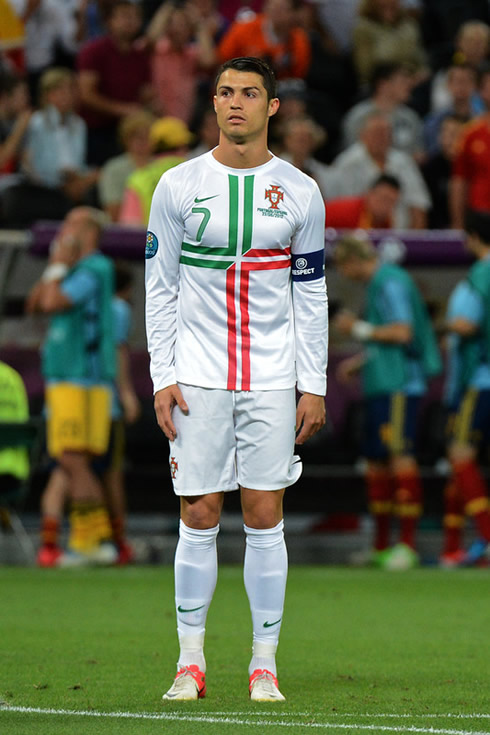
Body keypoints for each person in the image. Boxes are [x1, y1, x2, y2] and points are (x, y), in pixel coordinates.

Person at [145, 56, 328, 701]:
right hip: (197, 375)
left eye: (250, 93)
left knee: (262, 509)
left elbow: (312, 296)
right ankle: (189, 663)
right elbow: (160, 288)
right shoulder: (176, 185)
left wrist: (316, 383)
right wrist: (162, 374)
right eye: (225, 92)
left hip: (274, 375)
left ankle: (263, 664)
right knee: (197, 510)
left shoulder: (302, 192)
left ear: (272, 107)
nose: (236, 103)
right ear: (213, 103)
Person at [333, 235, 441, 570]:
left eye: (342, 266)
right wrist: (363, 360)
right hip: (383, 382)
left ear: (353, 260)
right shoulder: (380, 282)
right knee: (377, 462)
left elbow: (402, 333)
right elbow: (387, 338)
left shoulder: (390, 281)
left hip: (399, 385)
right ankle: (381, 546)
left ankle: (406, 547)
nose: (344, 274)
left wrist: (358, 329)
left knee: (399, 459)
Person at [26, 206, 117, 566]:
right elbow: (35, 305)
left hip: (79, 377)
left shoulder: (94, 267)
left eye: (70, 225)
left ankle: (94, 542)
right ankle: (91, 541)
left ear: (88, 232)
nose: (63, 231)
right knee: (74, 462)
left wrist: (59, 264)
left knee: (71, 459)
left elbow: (51, 300)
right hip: (73, 377)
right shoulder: (75, 270)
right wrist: (56, 267)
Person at [36, 261, 140, 567]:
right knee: (106, 474)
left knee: (65, 468)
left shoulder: (71, 306)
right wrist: (126, 394)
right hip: (97, 402)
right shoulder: (116, 309)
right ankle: (109, 542)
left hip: (62, 398)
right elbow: (118, 351)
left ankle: (50, 544)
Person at [439, 209, 490, 566]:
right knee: (462, 462)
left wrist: (444, 328)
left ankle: (486, 537)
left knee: (459, 455)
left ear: (472, 237)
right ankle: (456, 547)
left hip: (480, 379)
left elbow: (468, 324)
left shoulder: (481, 273)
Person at [77, 0, 155, 166]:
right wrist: (122, 110)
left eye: (135, 16)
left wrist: (152, 106)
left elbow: (146, 93)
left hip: (131, 130)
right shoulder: (93, 51)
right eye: (125, 16)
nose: (131, 21)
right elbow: (86, 95)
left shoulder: (140, 56)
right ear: (109, 21)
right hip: (97, 132)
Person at [331, 111, 431, 228]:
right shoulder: (346, 163)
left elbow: (418, 204)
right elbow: (339, 205)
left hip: (401, 235)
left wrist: (416, 241)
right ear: (362, 135)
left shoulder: (404, 162)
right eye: (376, 133)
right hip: (356, 234)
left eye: (386, 133)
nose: (382, 138)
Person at [342, 62, 424, 160]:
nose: (409, 84)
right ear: (383, 85)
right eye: (403, 81)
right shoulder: (358, 116)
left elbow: (419, 152)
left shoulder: (410, 117)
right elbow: (350, 153)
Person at [217, 0, 311, 81]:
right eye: (273, 6)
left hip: (281, 87)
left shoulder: (298, 39)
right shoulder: (244, 28)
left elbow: (299, 74)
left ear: (293, 14)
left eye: (281, 9)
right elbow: (222, 58)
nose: (276, 13)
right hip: (242, 80)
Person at [450, 63, 490, 229]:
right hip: (480, 216)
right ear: (481, 92)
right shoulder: (470, 133)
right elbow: (459, 181)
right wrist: (458, 223)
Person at [98, 110, 155, 222]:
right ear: (126, 140)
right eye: (137, 137)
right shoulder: (114, 169)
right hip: (125, 230)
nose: (142, 142)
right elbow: (113, 210)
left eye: (147, 137)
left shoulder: (163, 166)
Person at [325, 173, 401, 229]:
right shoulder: (342, 212)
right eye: (383, 199)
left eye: (392, 202)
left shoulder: (386, 222)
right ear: (369, 193)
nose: (385, 206)